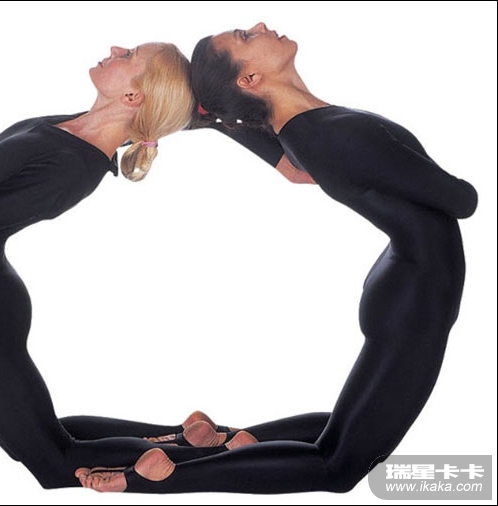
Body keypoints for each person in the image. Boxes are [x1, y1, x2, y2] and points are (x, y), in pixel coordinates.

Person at [77, 23, 478, 493]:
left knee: (344, 430)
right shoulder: (330, 134)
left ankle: (224, 441)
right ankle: (155, 479)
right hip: (417, 296)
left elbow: (295, 172)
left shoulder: (304, 128)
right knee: (339, 467)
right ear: (250, 80)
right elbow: (461, 200)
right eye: (246, 37)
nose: (262, 27)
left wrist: (206, 114)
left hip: (408, 284)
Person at [0, 41, 255, 489]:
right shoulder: (72, 128)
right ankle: (187, 438)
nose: (115, 48)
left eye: (128, 56)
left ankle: (225, 456)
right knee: (43, 437)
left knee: (49, 462)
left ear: (132, 96)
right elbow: (172, 114)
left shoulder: (75, 166)